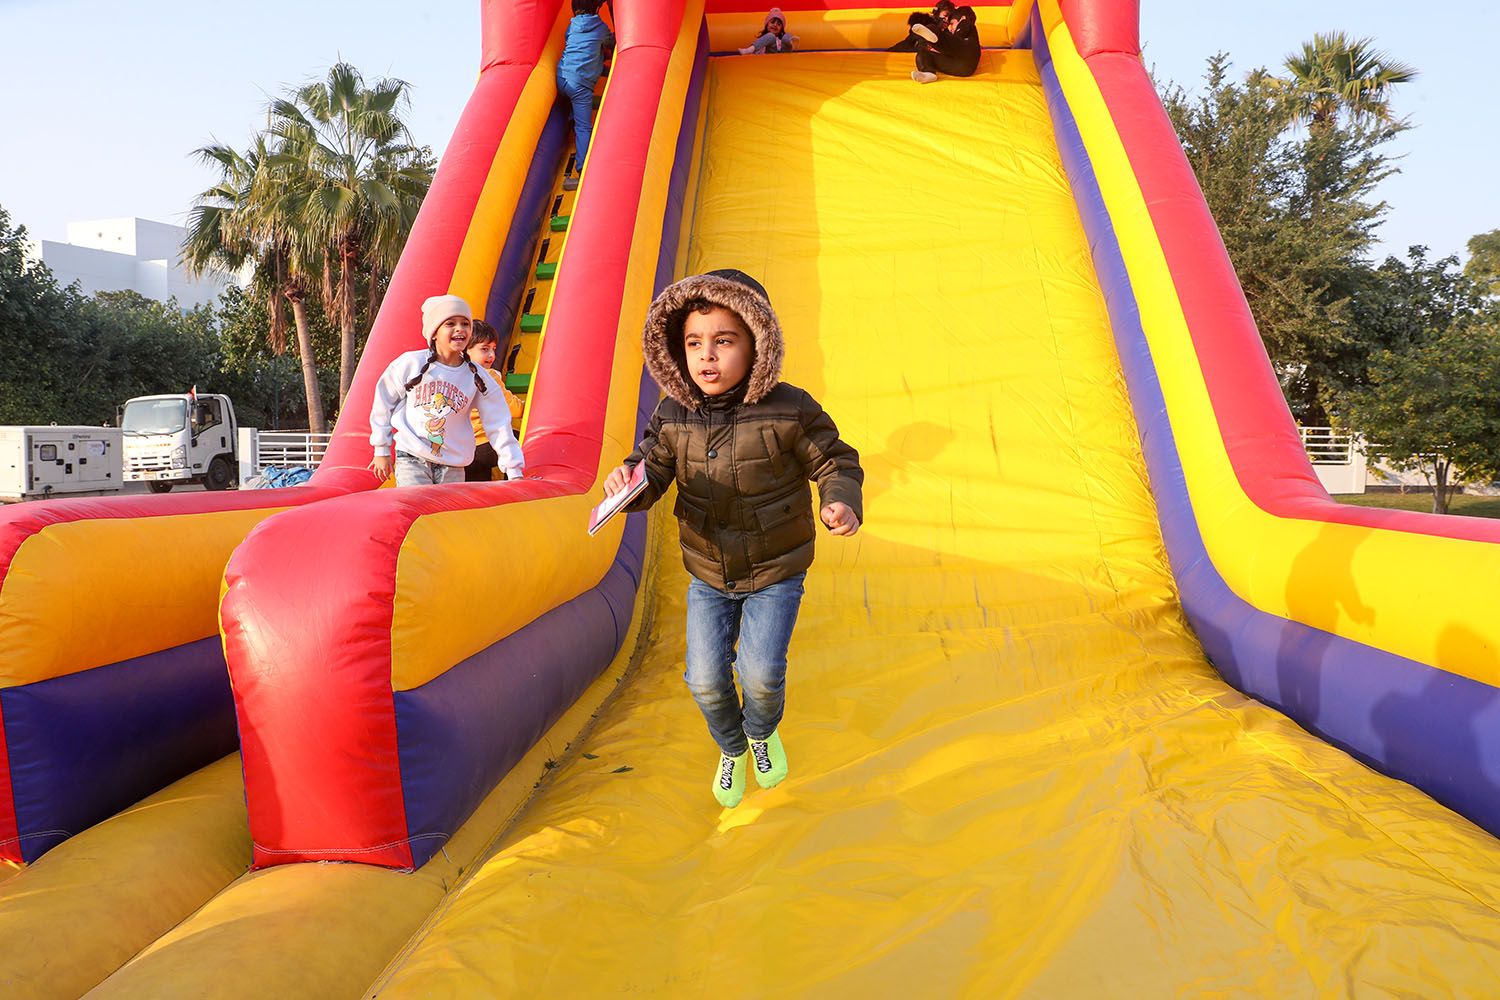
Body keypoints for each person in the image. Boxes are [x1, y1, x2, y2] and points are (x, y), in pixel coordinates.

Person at [601, 269, 863, 808]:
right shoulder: (673, 413)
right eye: (694, 343)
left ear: (756, 343)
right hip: (709, 568)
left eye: (723, 341)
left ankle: (761, 732)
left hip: (776, 567)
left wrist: (840, 499)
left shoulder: (789, 407)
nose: (707, 356)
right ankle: (733, 745)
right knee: (703, 678)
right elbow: (652, 466)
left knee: (760, 675)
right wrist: (628, 484)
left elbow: (834, 460)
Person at [370, 295, 524, 487]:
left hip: (453, 464)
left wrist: (514, 470)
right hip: (412, 457)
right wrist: (381, 449)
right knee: (418, 502)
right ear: (434, 332)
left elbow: (498, 421)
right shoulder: (411, 363)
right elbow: (383, 404)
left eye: (465, 324)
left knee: (446, 507)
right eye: (450, 323)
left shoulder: (477, 376)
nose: (460, 328)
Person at [557, 0, 615, 191]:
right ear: (596, 8)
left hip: (562, 77)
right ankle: (582, 170)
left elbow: (580, 49)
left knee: (589, 55)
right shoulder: (600, 27)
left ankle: (571, 117)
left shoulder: (571, 26)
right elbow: (611, 43)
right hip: (580, 86)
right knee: (584, 128)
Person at [464, 320, 527, 482]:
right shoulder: (488, 376)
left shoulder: (456, 376)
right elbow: (514, 409)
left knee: (479, 487)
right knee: (523, 443)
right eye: (484, 349)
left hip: (465, 451)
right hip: (487, 444)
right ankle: (514, 486)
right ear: (465, 350)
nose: (492, 355)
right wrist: (529, 405)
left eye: (493, 349)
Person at [911, 4, 980, 83]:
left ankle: (934, 35)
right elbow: (952, 47)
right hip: (962, 68)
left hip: (966, 55)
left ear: (962, 18)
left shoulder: (966, 23)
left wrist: (940, 43)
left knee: (934, 29)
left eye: (952, 23)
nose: (951, 28)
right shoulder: (958, 37)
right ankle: (928, 73)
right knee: (923, 54)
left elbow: (956, 43)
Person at [887, 1, 955, 53]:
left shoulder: (946, 31)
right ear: (937, 13)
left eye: (949, 18)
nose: (946, 20)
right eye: (945, 16)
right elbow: (914, 40)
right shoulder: (926, 24)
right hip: (906, 48)